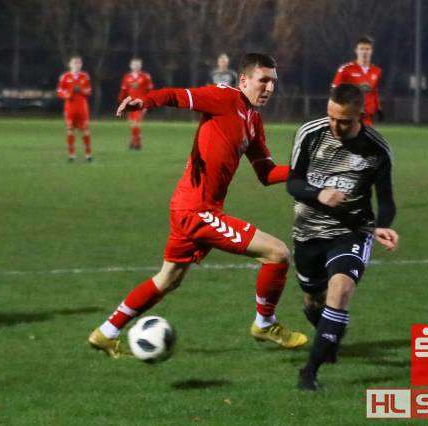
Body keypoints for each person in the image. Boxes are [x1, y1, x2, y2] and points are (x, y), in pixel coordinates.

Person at [88, 53, 308, 358]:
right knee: (277, 253)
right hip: (197, 210)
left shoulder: (253, 120)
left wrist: (305, 170)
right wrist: (144, 101)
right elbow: (177, 95)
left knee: (168, 279)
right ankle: (265, 324)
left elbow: (266, 172)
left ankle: (106, 332)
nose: (270, 88)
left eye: (274, 82)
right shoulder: (223, 97)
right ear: (244, 80)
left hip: (189, 207)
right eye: (264, 80)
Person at [287, 84, 399, 391]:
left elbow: (386, 201)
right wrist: (319, 194)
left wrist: (382, 226)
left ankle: (309, 373)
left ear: (361, 114)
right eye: (332, 118)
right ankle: (330, 338)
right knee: (313, 301)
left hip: (352, 231)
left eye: (345, 121)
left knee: (340, 290)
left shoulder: (376, 149)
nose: (336, 126)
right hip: (308, 232)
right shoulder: (310, 134)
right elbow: (293, 183)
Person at [331, 36, 383, 126]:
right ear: (356, 50)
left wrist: (378, 107)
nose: (364, 52)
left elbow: (374, 91)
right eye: (361, 49)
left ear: (371, 51)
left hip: (367, 117)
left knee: (367, 135)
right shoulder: (346, 69)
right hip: (350, 116)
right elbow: (335, 91)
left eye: (367, 49)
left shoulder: (376, 71)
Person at [56, 55, 93, 162]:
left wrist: (81, 90)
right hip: (70, 107)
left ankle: (88, 155)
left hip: (82, 107)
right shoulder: (65, 77)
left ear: (81, 64)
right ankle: (71, 155)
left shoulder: (85, 76)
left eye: (78, 63)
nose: (76, 65)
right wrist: (68, 94)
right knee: (70, 130)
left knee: (85, 131)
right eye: (74, 63)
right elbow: (59, 92)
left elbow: (89, 91)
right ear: (70, 64)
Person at [118, 58, 154, 150]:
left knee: (136, 123)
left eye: (138, 65)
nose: (136, 66)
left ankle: (136, 142)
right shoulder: (127, 77)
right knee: (132, 124)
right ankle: (135, 141)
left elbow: (150, 91)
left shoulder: (146, 76)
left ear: (141, 66)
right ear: (130, 66)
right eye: (134, 64)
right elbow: (123, 91)